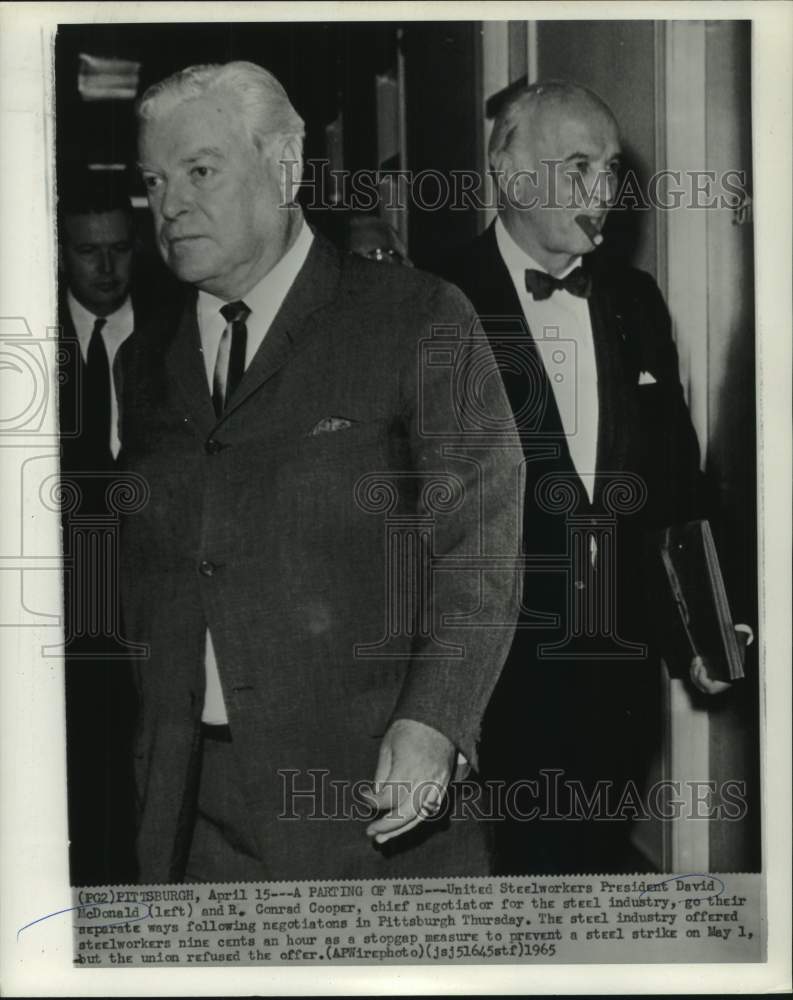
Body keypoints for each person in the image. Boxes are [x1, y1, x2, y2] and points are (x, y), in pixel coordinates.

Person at [116, 61, 523, 883]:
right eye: (155, 180)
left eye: (200, 171)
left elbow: (481, 541)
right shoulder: (143, 359)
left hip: (371, 800)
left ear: (287, 166)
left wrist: (435, 722)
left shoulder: (415, 316)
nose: (170, 204)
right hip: (192, 812)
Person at [436, 81, 750, 874]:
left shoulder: (632, 300)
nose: (602, 192)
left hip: (615, 674)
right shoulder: (431, 302)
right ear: (509, 174)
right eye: (577, 167)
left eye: (610, 169)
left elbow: (677, 484)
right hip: (487, 681)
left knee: (587, 870)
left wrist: (708, 631)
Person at [57, 173, 141, 885]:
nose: (108, 269)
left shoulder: (183, 329)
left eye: (120, 248)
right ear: (61, 252)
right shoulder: (26, 338)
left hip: (155, 603)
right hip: (59, 617)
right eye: (89, 253)